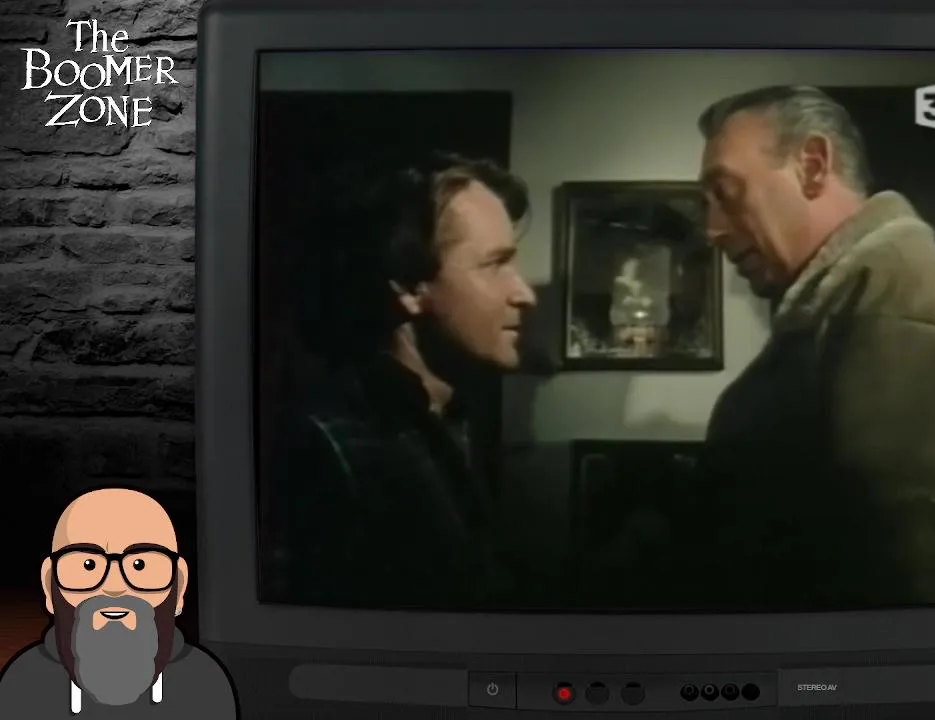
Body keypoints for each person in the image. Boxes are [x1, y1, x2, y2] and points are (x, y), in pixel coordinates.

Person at [688, 85, 935, 609]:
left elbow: (914, 590)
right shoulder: (866, 301)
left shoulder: (899, 315)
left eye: (727, 192)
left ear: (811, 166)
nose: (712, 230)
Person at [262, 153, 537, 610]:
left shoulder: (447, 420)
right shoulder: (329, 442)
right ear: (410, 287)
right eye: (495, 264)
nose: (524, 294)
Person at [0, 488, 238, 718]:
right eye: (88, 565)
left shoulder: (206, 684)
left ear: (179, 586)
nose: (114, 586)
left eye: (140, 565)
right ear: (49, 586)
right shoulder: (22, 684)